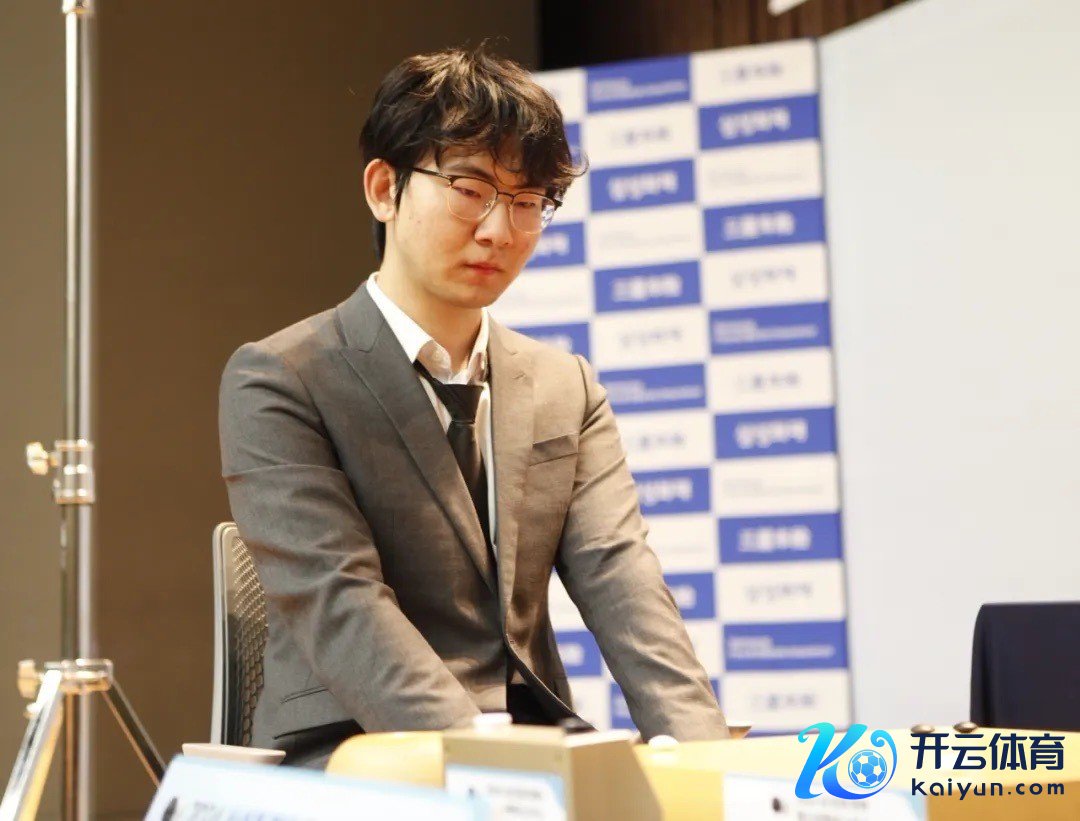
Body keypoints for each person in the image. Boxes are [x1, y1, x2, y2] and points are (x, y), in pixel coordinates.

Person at [218, 44, 730, 768]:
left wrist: (709, 764)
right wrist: (494, 768)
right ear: (384, 189)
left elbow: (622, 578)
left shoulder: (565, 385)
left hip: (538, 741)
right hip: (357, 747)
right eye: (469, 188)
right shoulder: (282, 378)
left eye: (528, 202)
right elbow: (341, 600)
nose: (500, 230)